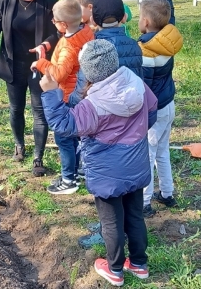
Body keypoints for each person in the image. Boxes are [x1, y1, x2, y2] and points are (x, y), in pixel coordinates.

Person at [39, 39, 158, 287]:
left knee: (111, 221)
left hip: (107, 173)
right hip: (136, 164)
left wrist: (51, 92)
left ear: (88, 72)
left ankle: (114, 269)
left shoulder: (92, 106)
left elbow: (64, 125)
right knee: (135, 215)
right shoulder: (136, 83)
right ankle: (139, 264)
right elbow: (152, 110)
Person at [77, 0, 144, 249]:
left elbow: (84, 88)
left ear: (93, 18)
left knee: (109, 184)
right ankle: (118, 228)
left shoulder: (94, 49)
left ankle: (108, 231)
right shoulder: (133, 45)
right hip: (131, 123)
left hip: (104, 124)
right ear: (124, 16)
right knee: (127, 180)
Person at [0, 0, 58, 177]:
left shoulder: (49, 3)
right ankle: (19, 145)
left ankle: (38, 158)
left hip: (39, 65)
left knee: (39, 111)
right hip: (12, 64)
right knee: (16, 108)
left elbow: (57, 33)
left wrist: (44, 45)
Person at [31, 0, 94, 194]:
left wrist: (41, 63)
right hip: (82, 92)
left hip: (68, 96)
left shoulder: (68, 46)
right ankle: (77, 170)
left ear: (63, 24)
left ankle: (69, 180)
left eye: (55, 21)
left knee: (64, 139)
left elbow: (58, 74)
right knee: (76, 136)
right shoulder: (86, 32)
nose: (53, 23)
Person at [137, 0, 183, 217]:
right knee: (162, 152)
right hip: (169, 104)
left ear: (146, 22)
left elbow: (144, 88)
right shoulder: (168, 42)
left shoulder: (147, 51)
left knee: (147, 155)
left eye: (139, 17)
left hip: (154, 111)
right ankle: (167, 193)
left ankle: (145, 202)